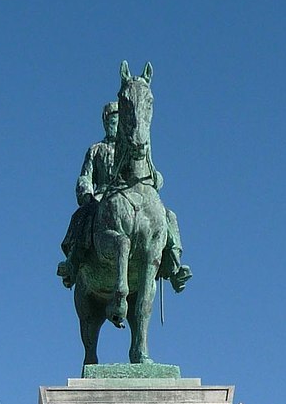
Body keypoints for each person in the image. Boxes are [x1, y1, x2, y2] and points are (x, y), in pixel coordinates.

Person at [57, 99, 192, 293]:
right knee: (82, 216)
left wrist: (156, 177)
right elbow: (86, 176)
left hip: (134, 195)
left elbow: (155, 176)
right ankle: (72, 262)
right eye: (112, 121)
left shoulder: (133, 151)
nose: (115, 125)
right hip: (103, 196)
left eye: (119, 121)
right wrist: (86, 192)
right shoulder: (96, 150)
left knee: (169, 216)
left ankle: (174, 266)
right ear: (105, 123)